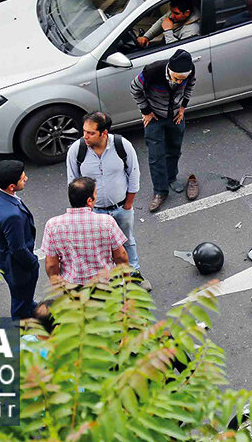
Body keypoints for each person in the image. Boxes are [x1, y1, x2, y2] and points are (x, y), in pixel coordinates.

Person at [66, 112, 150, 290]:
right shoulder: (77, 150)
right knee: (98, 247)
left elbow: (134, 175)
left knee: (127, 241)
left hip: (121, 208)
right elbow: (73, 182)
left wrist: (127, 206)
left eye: (90, 133)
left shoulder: (122, 145)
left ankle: (134, 275)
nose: (85, 136)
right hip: (94, 211)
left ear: (104, 133)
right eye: (84, 131)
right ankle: (108, 281)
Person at [130, 49, 197, 212]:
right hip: (154, 118)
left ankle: (171, 177)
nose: (179, 82)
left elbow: (189, 87)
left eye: (182, 79)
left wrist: (182, 108)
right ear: (169, 70)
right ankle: (160, 191)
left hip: (175, 116)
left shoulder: (190, 71)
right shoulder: (152, 71)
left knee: (174, 149)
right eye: (176, 78)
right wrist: (145, 111)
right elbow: (134, 89)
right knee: (156, 155)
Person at [40, 177, 130, 285]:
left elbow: (51, 265)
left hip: (72, 289)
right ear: (89, 201)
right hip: (106, 285)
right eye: (96, 194)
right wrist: (127, 281)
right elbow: (121, 256)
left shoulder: (52, 225)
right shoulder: (106, 222)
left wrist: (56, 285)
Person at [0, 160, 39, 319]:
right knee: (20, 300)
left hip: (0, 254)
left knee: (22, 296)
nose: (26, 178)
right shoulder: (12, 215)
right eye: (22, 178)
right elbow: (18, 249)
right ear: (11, 186)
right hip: (17, 266)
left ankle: (29, 305)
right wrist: (33, 263)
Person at [136, 0, 201, 48]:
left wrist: (168, 31)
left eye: (176, 13)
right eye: (171, 11)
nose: (171, 16)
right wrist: (146, 37)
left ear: (187, 13)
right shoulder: (177, 13)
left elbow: (178, 52)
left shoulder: (192, 30)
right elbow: (162, 21)